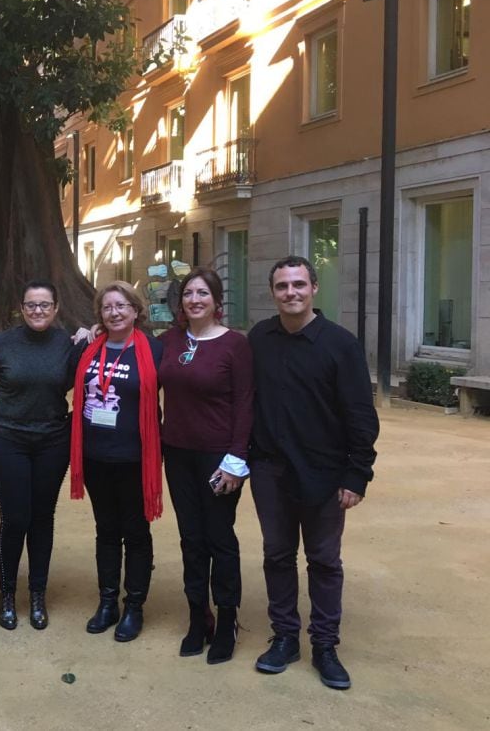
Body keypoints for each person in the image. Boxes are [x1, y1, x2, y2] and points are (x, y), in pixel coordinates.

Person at [248, 256, 379, 690]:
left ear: (314, 288)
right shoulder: (260, 339)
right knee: (278, 556)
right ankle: (285, 636)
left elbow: (361, 415)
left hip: (325, 474)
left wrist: (357, 474)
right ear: (273, 292)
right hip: (270, 470)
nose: (291, 293)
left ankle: (325, 645)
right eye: (283, 286)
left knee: (324, 561)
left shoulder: (340, 345)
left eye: (299, 285)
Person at [158, 267, 253, 664]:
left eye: (202, 294)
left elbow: (247, 404)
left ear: (216, 301)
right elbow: (128, 349)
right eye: (188, 294)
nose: (194, 300)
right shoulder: (169, 341)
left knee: (219, 537)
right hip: (177, 454)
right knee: (190, 538)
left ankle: (228, 617)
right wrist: (89, 336)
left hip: (219, 458)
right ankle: (199, 617)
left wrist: (236, 462)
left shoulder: (235, 345)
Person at [0, 281, 84, 631]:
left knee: (42, 517)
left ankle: (37, 594)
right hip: (7, 439)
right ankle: (8, 594)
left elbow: (88, 373)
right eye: (31, 305)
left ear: (56, 308)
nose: (38, 311)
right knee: (15, 518)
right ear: (21, 308)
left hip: (52, 441)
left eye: (45, 305)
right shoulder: (2, 344)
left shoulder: (68, 344)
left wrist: (90, 334)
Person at [70, 281, 163, 641]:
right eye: (108, 307)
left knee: (136, 533)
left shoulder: (154, 350)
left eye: (122, 306)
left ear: (136, 310)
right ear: (100, 314)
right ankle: (107, 601)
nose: (115, 312)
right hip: (95, 456)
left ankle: (134, 606)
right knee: (106, 531)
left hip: (136, 458)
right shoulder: (88, 350)